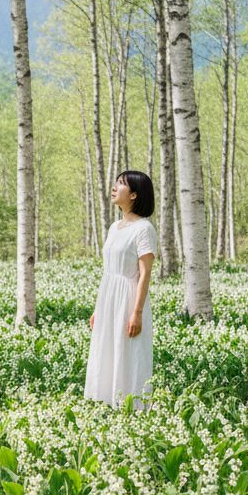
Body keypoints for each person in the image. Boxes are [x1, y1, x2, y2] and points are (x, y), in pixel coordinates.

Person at [84, 170, 157, 408]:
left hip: (128, 297)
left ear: (134, 195)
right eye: (116, 182)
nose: (115, 187)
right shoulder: (115, 227)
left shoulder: (144, 229)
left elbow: (145, 273)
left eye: (121, 184)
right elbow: (108, 272)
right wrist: (98, 308)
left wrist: (136, 313)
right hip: (109, 296)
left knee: (129, 351)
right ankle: (105, 401)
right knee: (106, 348)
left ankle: (131, 406)